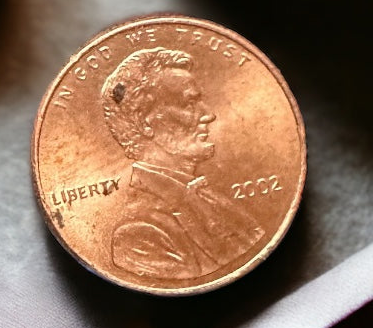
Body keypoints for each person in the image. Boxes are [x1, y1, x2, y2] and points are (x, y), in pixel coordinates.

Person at [99, 47, 264, 280]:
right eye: (189, 104)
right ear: (144, 121)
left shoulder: (212, 199)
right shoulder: (138, 232)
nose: (208, 115)